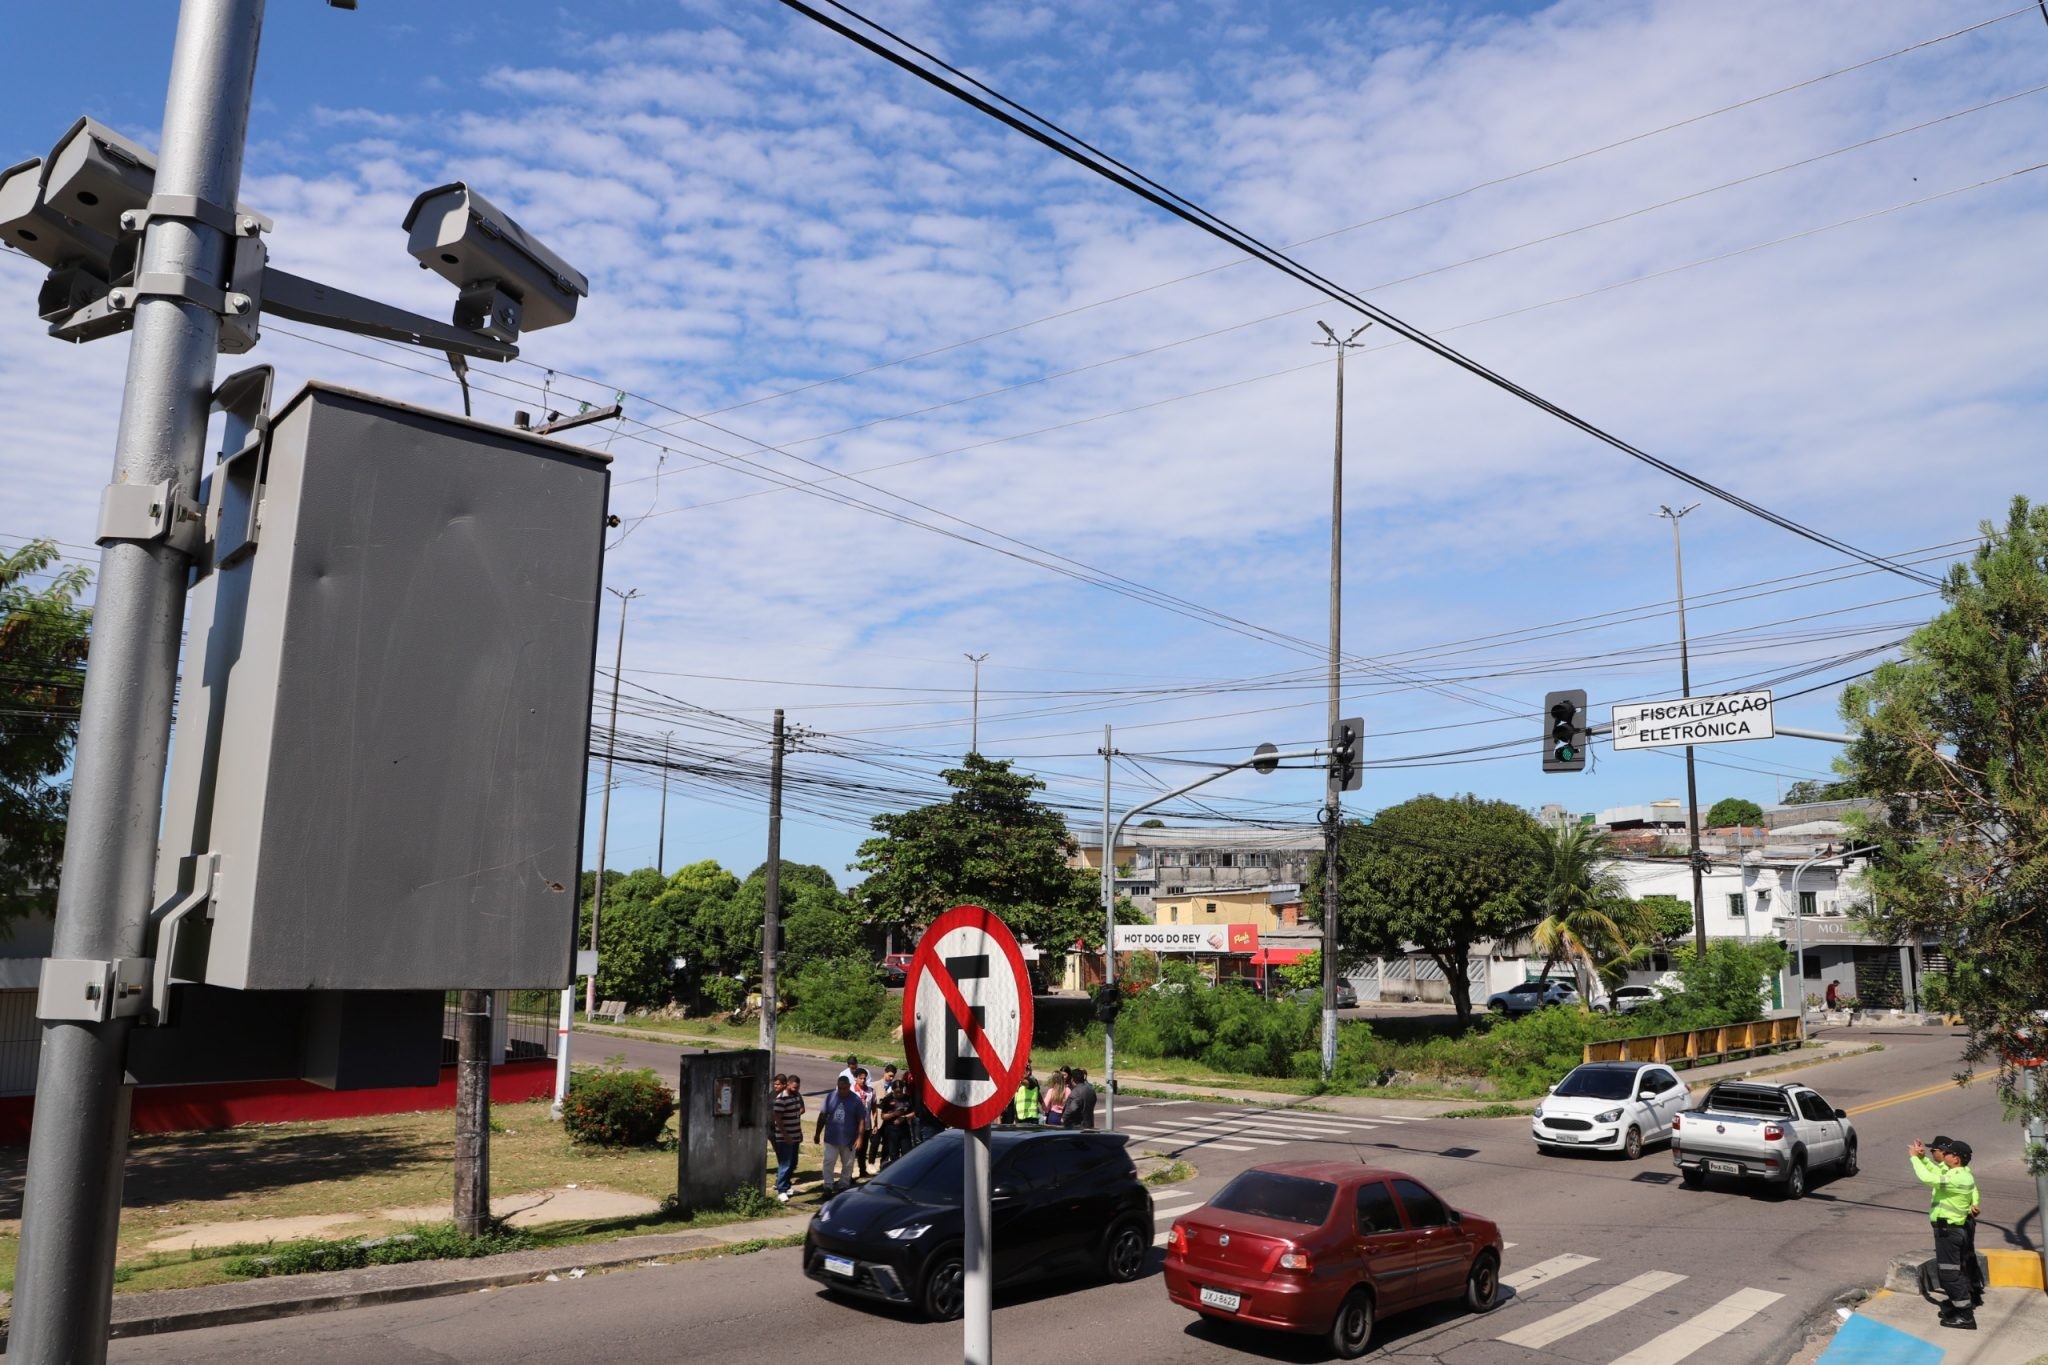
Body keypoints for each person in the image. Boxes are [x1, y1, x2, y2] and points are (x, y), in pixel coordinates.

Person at [1910, 1137, 1980, 1330]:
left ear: (1956, 1159)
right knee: (1953, 1272)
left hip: (1949, 1231)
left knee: (1949, 1274)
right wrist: (1923, 1159)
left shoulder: (1956, 1177)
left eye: (1948, 1153)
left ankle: (1965, 1316)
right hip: (1950, 1230)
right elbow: (1934, 1171)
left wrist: (1915, 1158)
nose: (1944, 1155)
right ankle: (1959, 1305)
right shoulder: (1960, 1173)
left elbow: (1928, 1178)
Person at [1932, 1137, 1987, 1310]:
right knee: (1961, 1261)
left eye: (1934, 1150)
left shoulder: (1956, 1172)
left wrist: (1974, 1204)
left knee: (1959, 1264)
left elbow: (1927, 1177)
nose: (1932, 1154)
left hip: (1957, 1223)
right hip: (1956, 1223)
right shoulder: (1949, 1169)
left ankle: (1965, 1306)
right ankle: (1968, 1296)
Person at [815, 1075, 868, 1196]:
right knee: (828, 1162)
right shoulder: (831, 1097)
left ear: (849, 1087)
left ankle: (844, 1185)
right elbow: (822, 1116)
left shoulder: (856, 1100)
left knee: (848, 1164)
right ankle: (828, 1186)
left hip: (849, 1140)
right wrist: (817, 1133)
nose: (842, 1090)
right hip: (831, 1138)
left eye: (845, 1088)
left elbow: (861, 1120)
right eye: (840, 1088)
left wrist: (860, 1138)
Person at [769, 1073, 805, 1202]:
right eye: (794, 1088)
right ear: (788, 1085)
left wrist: (799, 1132)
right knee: (785, 1163)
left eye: (798, 1088)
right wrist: (785, 1135)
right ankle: (781, 1190)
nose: (796, 1090)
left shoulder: (795, 1097)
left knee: (792, 1163)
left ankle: (787, 1185)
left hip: (795, 1135)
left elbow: (797, 1116)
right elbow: (777, 1120)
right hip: (785, 1137)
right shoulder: (781, 1099)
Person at [878, 1076, 916, 1164]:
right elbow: (883, 1116)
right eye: (897, 1092)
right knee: (893, 1153)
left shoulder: (907, 1098)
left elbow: (913, 1112)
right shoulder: (888, 1099)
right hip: (891, 1129)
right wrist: (893, 1114)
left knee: (907, 1152)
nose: (899, 1094)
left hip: (904, 1129)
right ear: (893, 1090)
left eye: (900, 1092)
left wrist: (904, 1117)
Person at [850, 1067, 877, 1179]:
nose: (863, 1080)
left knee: (863, 1150)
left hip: (866, 1125)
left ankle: (862, 1170)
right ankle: (848, 1174)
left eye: (864, 1078)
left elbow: (874, 1108)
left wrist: (874, 1123)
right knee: (851, 1152)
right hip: (851, 1126)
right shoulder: (850, 1090)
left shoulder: (870, 1091)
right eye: (860, 1078)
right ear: (855, 1078)